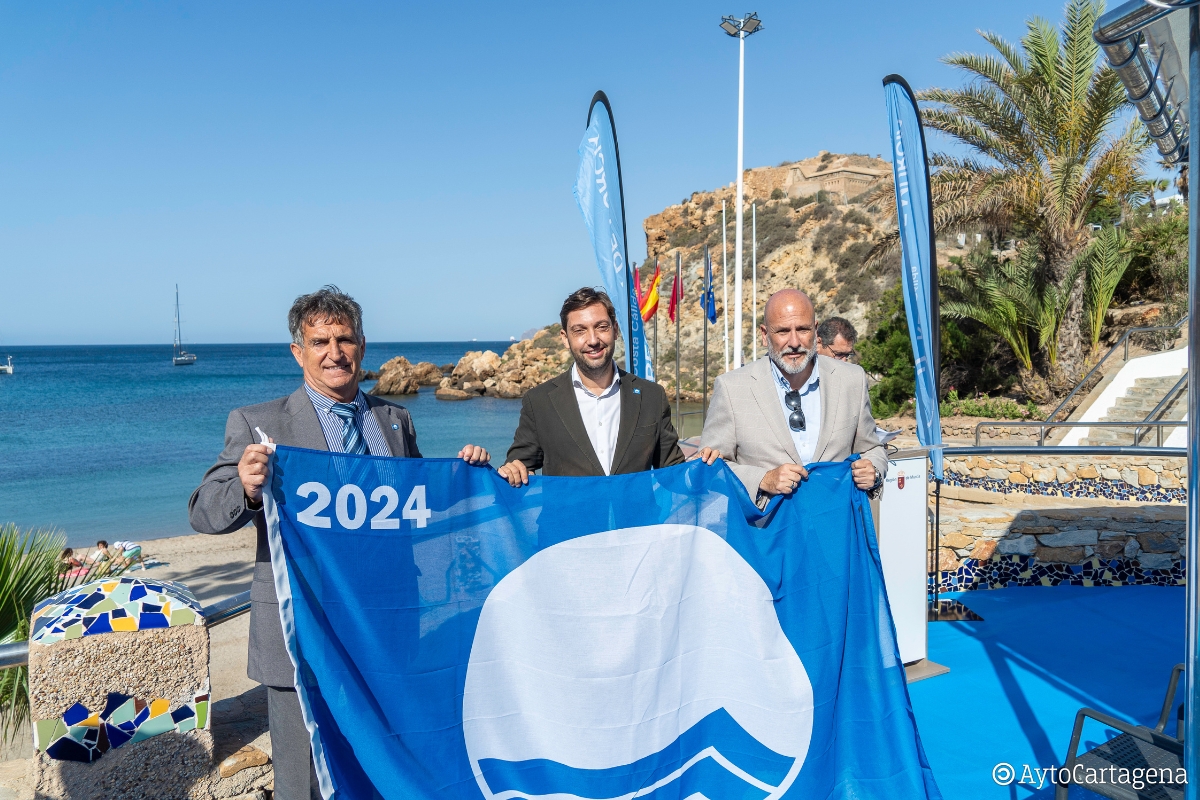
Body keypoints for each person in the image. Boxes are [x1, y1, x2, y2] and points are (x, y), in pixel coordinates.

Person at [189, 285, 490, 800]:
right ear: (297, 352)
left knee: (382, 763)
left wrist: (467, 476)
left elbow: (417, 509)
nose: (335, 352)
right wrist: (245, 487)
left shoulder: (394, 421)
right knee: (302, 781)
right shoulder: (259, 423)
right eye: (320, 341)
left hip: (386, 627)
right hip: (301, 631)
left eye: (344, 339)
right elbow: (202, 512)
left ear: (363, 345)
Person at [498, 287, 717, 486]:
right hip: (568, 530)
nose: (593, 340)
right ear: (565, 339)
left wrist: (697, 468)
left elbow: (672, 472)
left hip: (637, 528)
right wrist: (492, 468)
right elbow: (518, 468)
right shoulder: (539, 402)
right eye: (580, 331)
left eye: (601, 327)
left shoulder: (651, 396)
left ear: (615, 330)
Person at [701, 289, 887, 506]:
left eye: (802, 329)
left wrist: (873, 470)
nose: (794, 341)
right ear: (764, 334)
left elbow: (871, 447)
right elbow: (710, 468)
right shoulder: (732, 388)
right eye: (782, 331)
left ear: (815, 331)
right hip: (767, 533)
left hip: (836, 528)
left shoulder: (851, 379)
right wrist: (762, 479)